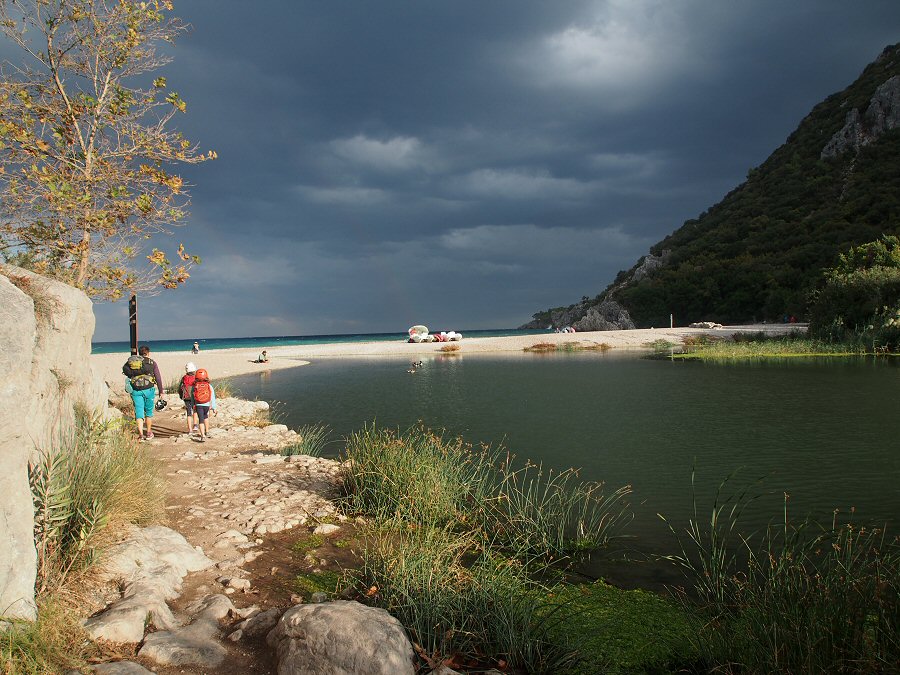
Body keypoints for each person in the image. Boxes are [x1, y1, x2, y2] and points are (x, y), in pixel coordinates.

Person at [122, 345, 164, 441]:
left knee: (139, 412)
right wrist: (161, 391)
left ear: (139, 353)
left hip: (136, 391)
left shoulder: (133, 363)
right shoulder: (152, 363)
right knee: (148, 412)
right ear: (148, 353)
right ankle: (149, 433)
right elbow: (158, 378)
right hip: (149, 390)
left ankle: (141, 435)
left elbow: (128, 374)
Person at [191, 368, 217, 442]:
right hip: (207, 405)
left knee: (201, 420)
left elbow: (192, 396)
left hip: (199, 405)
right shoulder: (209, 385)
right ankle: (207, 431)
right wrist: (214, 407)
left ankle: (203, 435)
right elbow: (212, 397)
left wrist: (193, 405)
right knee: (206, 417)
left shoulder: (195, 386)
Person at [179, 362, 200, 435]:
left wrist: (181, 396)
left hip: (186, 397)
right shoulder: (196, 377)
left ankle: (190, 430)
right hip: (194, 397)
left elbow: (179, 388)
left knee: (188, 413)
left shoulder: (184, 378)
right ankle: (195, 425)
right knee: (195, 411)